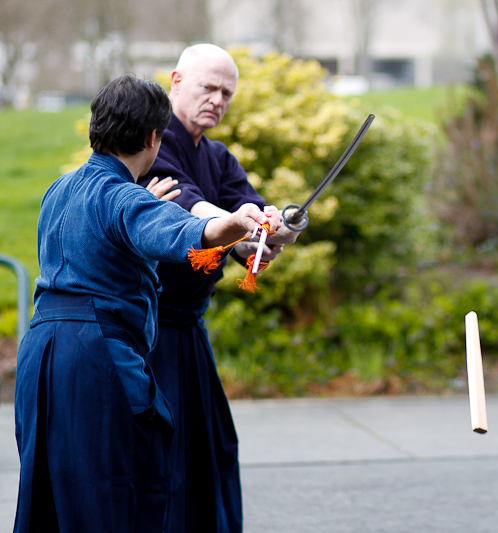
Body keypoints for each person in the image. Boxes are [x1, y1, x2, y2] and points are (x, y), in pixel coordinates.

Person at [13, 74, 282, 532]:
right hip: (95, 356)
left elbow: (107, 233)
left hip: (40, 355)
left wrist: (141, 205)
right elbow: (194, 235)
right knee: (112, 495)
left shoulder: (59, 190)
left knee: (52, 497)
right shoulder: (125, 198)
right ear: (153, 137)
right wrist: (237, 222)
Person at [138, 44, 299, 533]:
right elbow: (190, 207)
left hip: (189, 326)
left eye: (227, 92)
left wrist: (277, 229)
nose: (218, 99)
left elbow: (250, 215)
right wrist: (239, 226)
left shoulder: (220, 157)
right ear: (177, 81)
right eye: (208, 87)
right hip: (146, 328)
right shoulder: (150, 145)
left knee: (213, 446)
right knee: (161, 451)